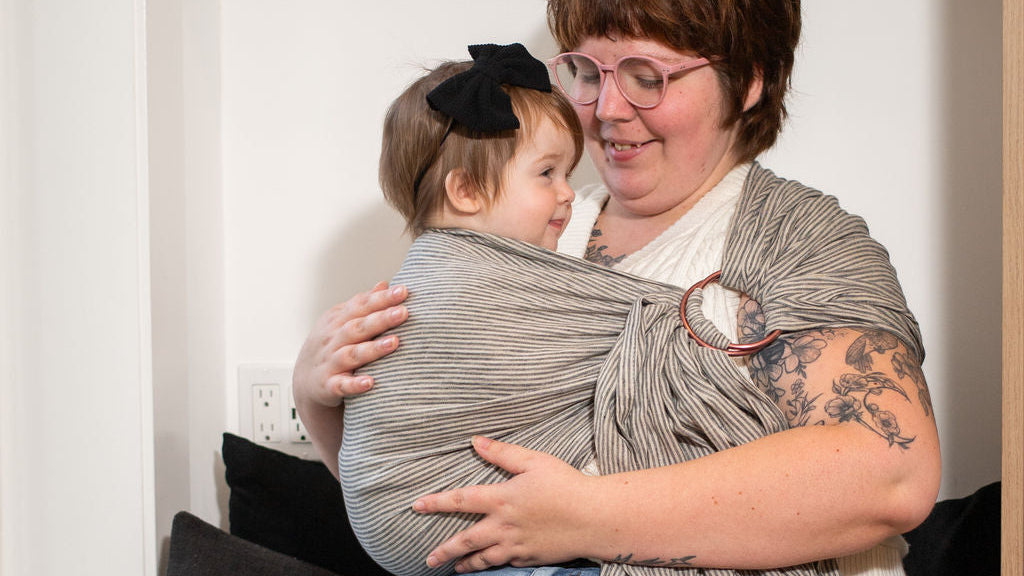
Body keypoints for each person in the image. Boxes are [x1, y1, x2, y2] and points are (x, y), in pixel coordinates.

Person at [293, 2, 941, 576]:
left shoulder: (796, 237)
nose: (606, 109)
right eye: (587, 72)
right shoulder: (522, 225)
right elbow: (439, 488)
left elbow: (890, 473)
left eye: (646, 77)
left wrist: (588, 515)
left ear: (746, 82)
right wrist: (319, 397)